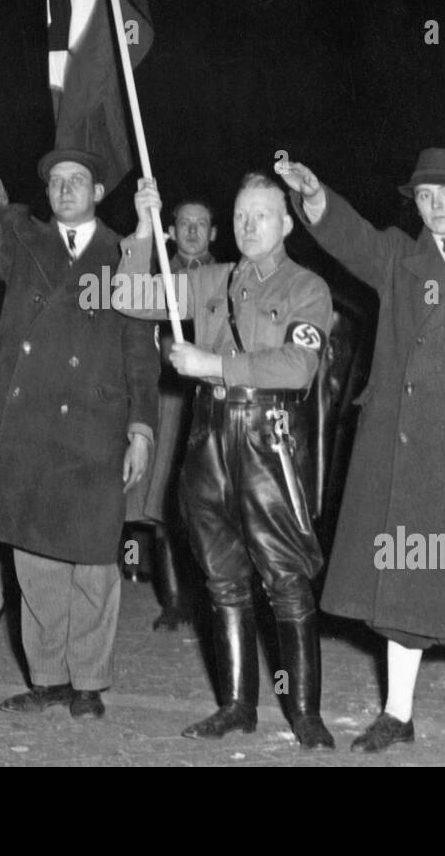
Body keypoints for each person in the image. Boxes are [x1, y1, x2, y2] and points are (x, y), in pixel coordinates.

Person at [280, 150, 445, 766]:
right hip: (404, 453)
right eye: (424, 195)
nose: (435, 205)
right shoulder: (403, 258)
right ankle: (397, 714)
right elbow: (351, 239)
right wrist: (314, 194)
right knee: (402, 587)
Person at [0, 144, 158, 720]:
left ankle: (89, 682)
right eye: (56, 182)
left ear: (99, 193)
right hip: (26, 425)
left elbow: (140, 349)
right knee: (37, 563)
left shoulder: (127, 252)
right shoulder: (24, 240)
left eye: (78, 181)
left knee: (94, 562)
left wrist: (142, 426)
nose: (65, 189)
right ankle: (48, 679)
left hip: (96, 427)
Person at [115, 174, 336, 748]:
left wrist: (212, 365)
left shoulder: (308, 287)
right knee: (223, 580)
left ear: (287, 223)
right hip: (208, 438)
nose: (248, 225)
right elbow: (127, 298)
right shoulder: (209, 279)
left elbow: (297, 368)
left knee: (286, 580)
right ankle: (237, 705)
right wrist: (142, 231)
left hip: (267, 440)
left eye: (261, 215)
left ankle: (306, 713)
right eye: (240, 215)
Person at [123, 198, 217, 630]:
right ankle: (175, 600)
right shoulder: (158, 277)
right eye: (184, 223)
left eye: (201, 224)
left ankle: (217, 600)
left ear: (214, 233)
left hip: (215, 400)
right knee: (164, 500)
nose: (193, 231)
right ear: (172, 232)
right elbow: (135, 326)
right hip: (171, 399)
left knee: (214, 503)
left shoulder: (227, 278)